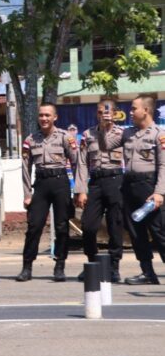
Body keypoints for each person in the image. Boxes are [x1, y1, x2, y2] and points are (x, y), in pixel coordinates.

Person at [19, 103, 75, 282]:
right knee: (34, 226)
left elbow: (77, 163)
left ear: (55, 117)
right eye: (41, 115)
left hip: (60, 183)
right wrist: (27, 193)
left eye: (47, 115)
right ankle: (27, 267)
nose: (44, 118)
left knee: (61, 227)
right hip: (41, 184)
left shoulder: (65, 137)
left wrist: (80, 189)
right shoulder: (30, 139)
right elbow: (25, 168)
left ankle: (60, 266)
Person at [74, 100, 124, 283]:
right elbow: (81, 163)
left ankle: (114, 266)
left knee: (115, 224)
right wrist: (80, 190)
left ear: (115, 113)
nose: (103, 115)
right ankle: (92, 263)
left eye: (107, 111)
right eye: (99, 112)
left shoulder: (122, 134)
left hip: (115, 180)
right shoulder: (88, 134)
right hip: (95, 182)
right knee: (88, 225)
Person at [120, 95, 165, 286]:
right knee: (136, 232)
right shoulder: (128, 133)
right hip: (130, 186)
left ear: (145, 110)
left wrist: (159, 193)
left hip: (149, 186)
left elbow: (164, 165)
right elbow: (106, 143)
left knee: (159, 231)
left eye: (133, 109)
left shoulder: (158, 134)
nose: (130, 112)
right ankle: (147, 273)